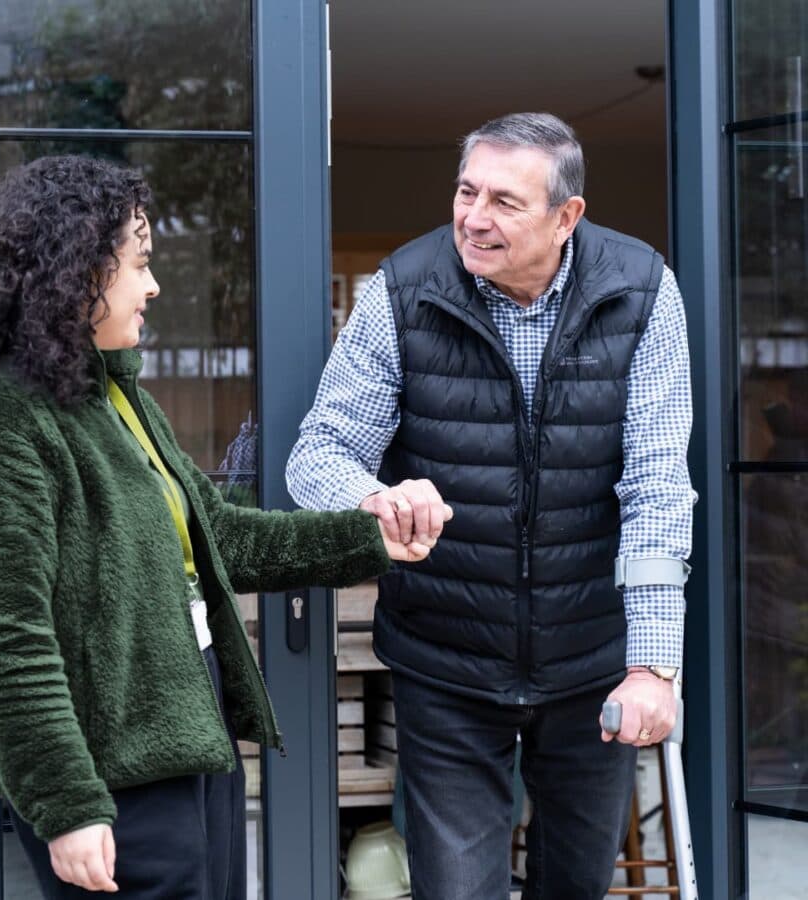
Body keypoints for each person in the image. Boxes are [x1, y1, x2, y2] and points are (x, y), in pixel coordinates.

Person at [0, 154, 437, 899]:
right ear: (75, 272)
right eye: (139, 263)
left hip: (194, 743)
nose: (153, 286)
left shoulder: (112, 396)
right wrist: (66, 805)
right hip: (114, 776)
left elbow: (220, 539)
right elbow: (8, 636)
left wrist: (367, 538)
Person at [286, 112, 696, 899]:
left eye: (505, 201)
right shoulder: (402, 291)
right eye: (466, 191)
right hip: (447, 656)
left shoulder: (642, 290)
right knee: (457, 889)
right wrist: (375, 496)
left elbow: (655, 484)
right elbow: (319, 455)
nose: (474, 217)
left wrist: (651, 665)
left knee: (574, 883)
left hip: (592, 660)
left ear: (566, 216)